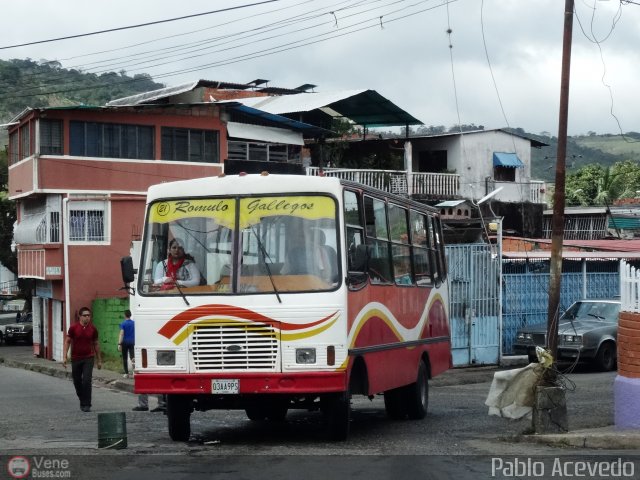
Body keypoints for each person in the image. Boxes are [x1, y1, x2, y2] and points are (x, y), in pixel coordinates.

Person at [62, 307, 102, 412]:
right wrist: (65, 357)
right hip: (76, 358)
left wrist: (99, 360)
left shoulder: (93, 329)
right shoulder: (73, 328)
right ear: (80, 316)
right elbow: (67, 341)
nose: (87, 318)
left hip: (88, 358)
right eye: (85, 315)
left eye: (89, 315)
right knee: (77, 382)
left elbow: (96, 344)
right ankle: (82, 399)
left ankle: (87, 404)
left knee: (87, 381)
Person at [117, 309, 135, 379]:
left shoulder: (123, 324)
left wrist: (119, 344)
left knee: (125, 358)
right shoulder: (134, 323)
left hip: (125, 343)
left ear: (125, 315)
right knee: (133, 358)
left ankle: (126, 373)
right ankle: (134, 373)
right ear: (130, 315)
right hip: (132, 342)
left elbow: (121, 334)